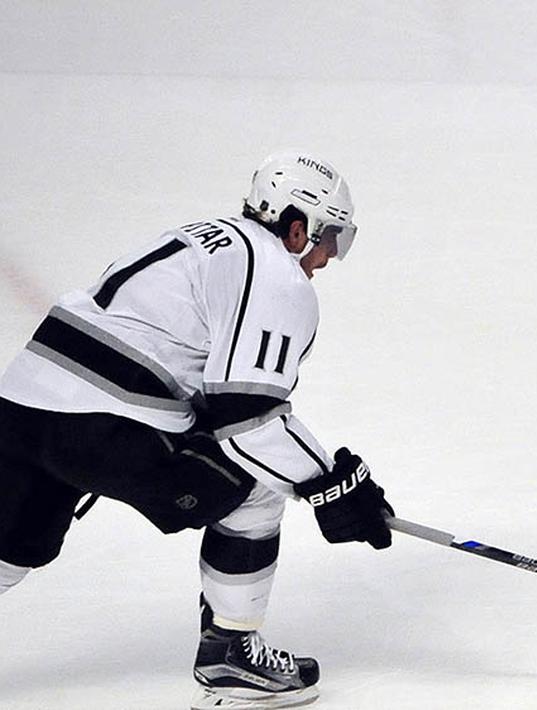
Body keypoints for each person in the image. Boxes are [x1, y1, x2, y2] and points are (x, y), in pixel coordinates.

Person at [0, 152, 397, 709]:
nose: (329, 257)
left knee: (9, 547)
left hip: (19, 405)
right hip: (107, 424)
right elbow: (245, 422)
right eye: (331, 238)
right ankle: (230, 656)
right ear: (297, 226)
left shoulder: (201, 237)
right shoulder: (276, 276)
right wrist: (331, 483)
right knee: (255, 486)